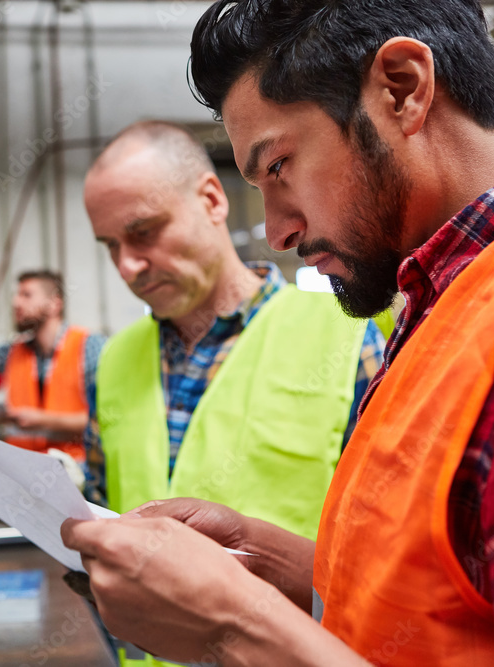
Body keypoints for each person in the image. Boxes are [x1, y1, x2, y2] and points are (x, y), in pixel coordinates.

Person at [62, 1, 494, 666]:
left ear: (402, 89)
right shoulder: (442, 304)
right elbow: (432, 603)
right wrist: (260, 561)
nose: (278, 232)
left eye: (279, 166)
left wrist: (236, 624)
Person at [82, 119, 385, 664]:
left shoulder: (345, 339)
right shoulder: (113, 360)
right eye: (110, 246)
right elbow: (104, 510)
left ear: (211, 199)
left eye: (144, 231)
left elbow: (387, 568)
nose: (128, 265)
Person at [0, 255, 105, 462]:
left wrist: (44, 420)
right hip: (22, 472)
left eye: (26, 295)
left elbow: (104, 420)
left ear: (55, 303)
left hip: (76, 474)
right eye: (16, 295)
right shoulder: (15, 352)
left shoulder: (88, 347)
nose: (15, 302)